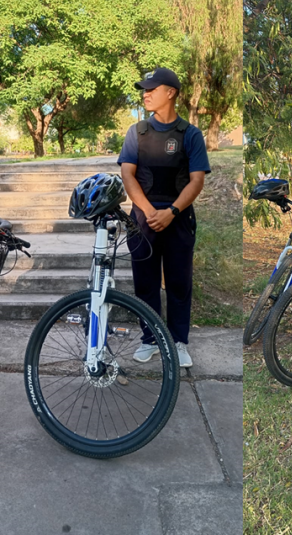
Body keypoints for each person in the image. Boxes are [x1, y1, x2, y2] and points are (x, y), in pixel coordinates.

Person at [118, 67, 211, 369]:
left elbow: (196, 180)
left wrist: (171, 213)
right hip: (143, 218)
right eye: (144, 90)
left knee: (178, 282)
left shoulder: (190, 135)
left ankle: (179, 341)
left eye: (151, 89)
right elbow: (128, 175)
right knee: (145, 283)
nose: (145, 94)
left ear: (170, 92)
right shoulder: (137, 132)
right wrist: (148, 211)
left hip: (179, 218)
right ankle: (150, 339)